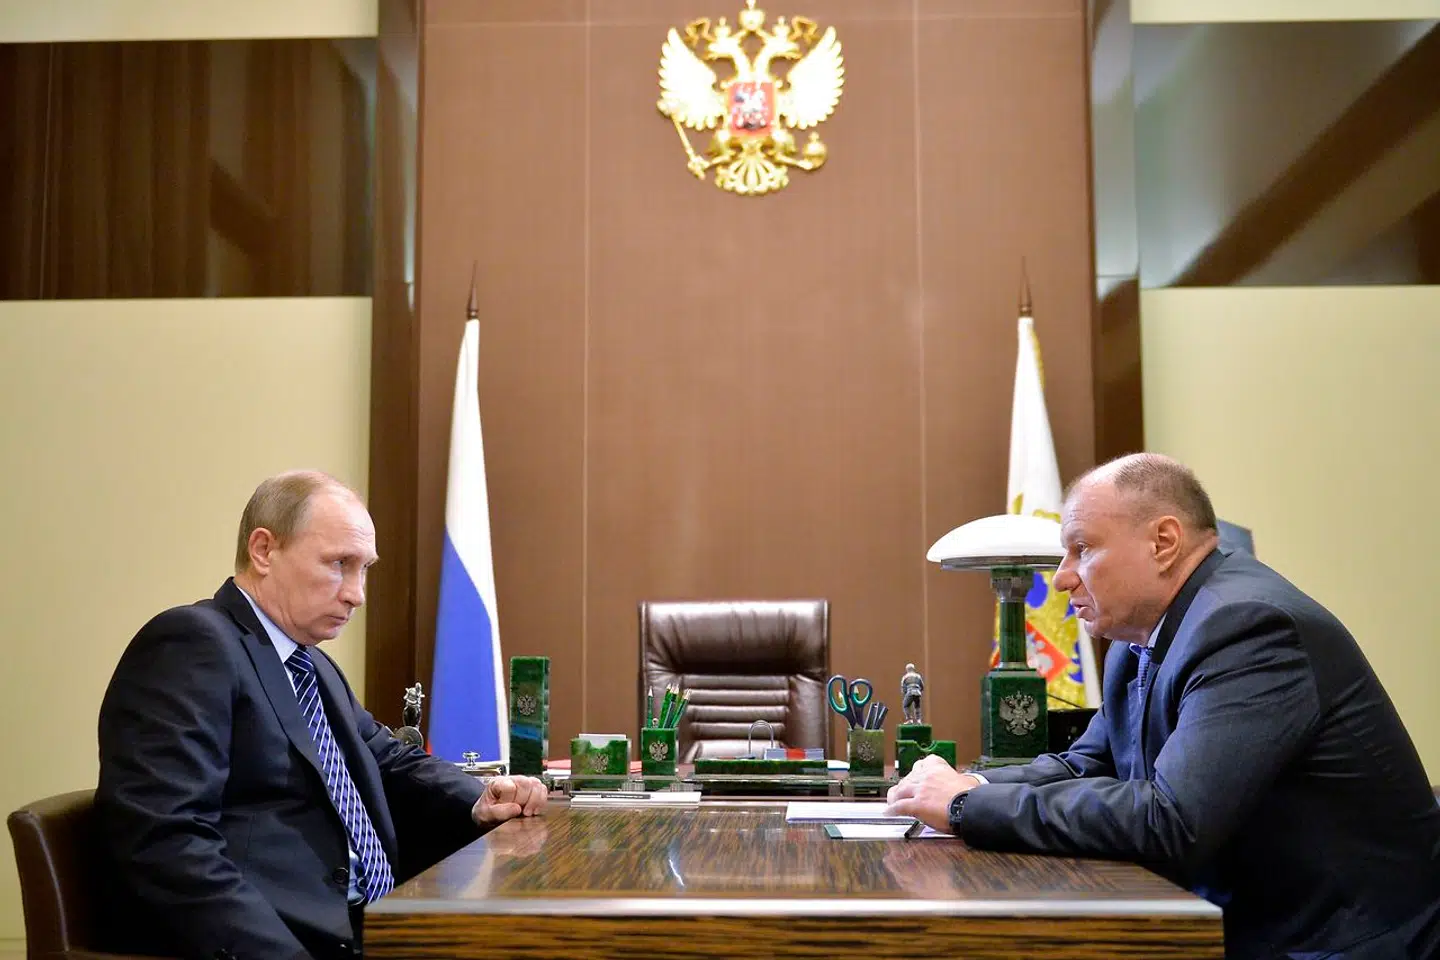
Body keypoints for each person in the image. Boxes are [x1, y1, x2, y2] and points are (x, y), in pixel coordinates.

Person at [887, 453, 1440, 959]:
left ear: (1164, 542)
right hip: (1238, 924)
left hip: (1336, 944)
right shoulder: (1142, 635)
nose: (1061, 578)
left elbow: (1171, 822)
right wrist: (973, 784)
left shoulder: (1248, 628)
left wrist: (965, 808)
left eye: (1083, 549)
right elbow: (1087, 764)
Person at [96, 471, 547, 960]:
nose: (357, 593)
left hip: (378, 927)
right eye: (339, 564)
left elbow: (387, 758)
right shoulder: (192, 643)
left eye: (364, 569)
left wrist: (479, 800)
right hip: (287, 942)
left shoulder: (310, 664)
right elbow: (167, 840)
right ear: (263, 550)